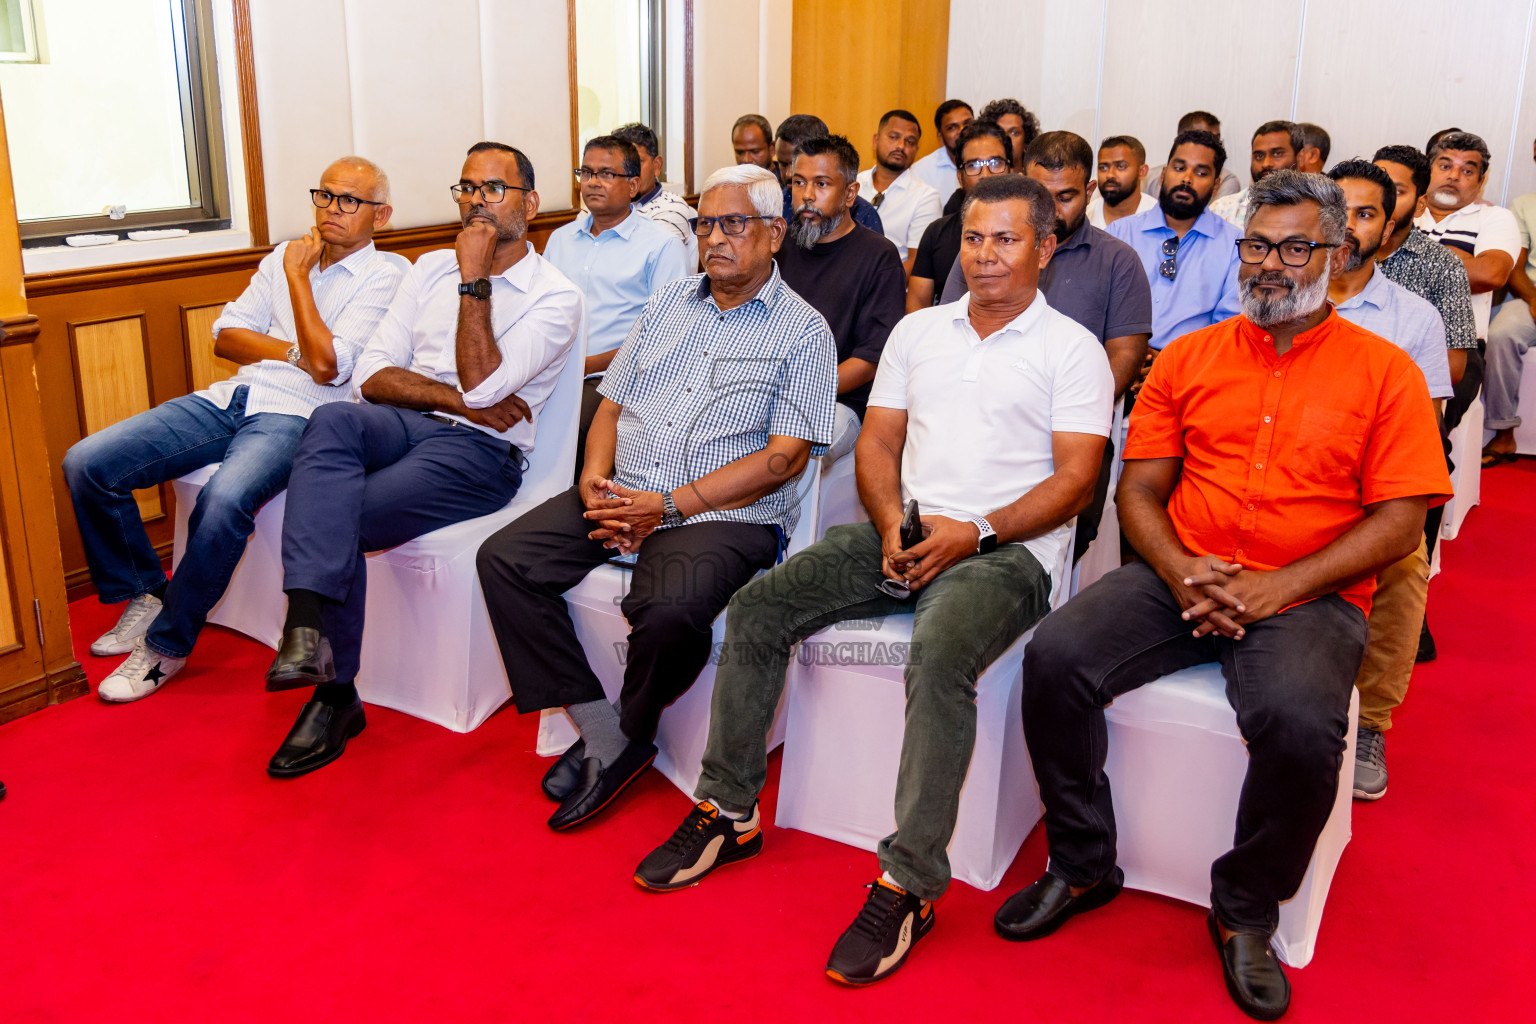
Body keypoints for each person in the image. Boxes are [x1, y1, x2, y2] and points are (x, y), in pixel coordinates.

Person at [632, 174, 1113, 987]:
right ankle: (730, 809)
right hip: (910, 527)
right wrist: (892, 523)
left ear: (1045, 248)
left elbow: (1073, 482)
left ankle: (910, 882)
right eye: (973, 238)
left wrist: (978, 531)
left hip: (1008, 551)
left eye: (1005, 239)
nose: (985, 255)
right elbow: (878, 446)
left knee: (940, 652)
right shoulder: (920, 333)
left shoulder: (1074, 350)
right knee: (759, 607)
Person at [999, 170, 1451, 1021]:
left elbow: (1399, 524)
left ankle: (1245, 910)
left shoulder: (1385, 372)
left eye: (1293, 247)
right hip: (1185, 571)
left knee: (1299, 721)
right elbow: (1139, 491)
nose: (1270, 264)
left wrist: (1276, 587)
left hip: (1309, 591)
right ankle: (1084, 860)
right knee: (1056, 656)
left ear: (1336, 253)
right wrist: (1179, 573)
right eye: (1256, 245)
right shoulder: (1193, 357)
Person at [475, 164, 836, 832]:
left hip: (725, 514)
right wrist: (593, 475)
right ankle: (599, 726)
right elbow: (610, 401)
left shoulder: (804, 331)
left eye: (735, 224)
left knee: (667, 609)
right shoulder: (670, 300)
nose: (716, 239)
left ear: (775, 233)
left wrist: (665, 508)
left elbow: (782, 459)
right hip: (623, 491)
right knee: (505, 559)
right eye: (705, 225)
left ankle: (628, 734)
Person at [260, 142, 582, 778]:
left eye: (494, 190)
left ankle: (332, 693)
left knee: (337, 513)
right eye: (467, 189)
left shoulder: (556, 295)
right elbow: (370, 376)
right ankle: (303, 622)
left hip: (481, 454)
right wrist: (458, 400)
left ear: (531, 205)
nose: (477, 203)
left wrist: (474, 279)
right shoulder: (426, 268)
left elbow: (488, 386)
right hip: (406, 422)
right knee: (333, 418)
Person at [63, 157, 403, 702]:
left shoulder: (387, 276)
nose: (331, 210)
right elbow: (226, 336)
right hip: (234, 397)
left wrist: (297, 281)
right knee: (89, 463)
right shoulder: (282, 255)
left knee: (223, 501)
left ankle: (166, 646)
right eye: (324, 196)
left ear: (380, 215)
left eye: (349, 201)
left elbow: (329, 368)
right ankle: (145, 593)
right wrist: (292, 346)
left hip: (300, 414)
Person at [940, 131, 1151, 558]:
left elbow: (1125, 357)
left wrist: (1060, 414)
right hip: (976, 415)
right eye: (1042, 195)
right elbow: (948, 334)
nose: (1051, 210)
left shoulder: (1118, 260)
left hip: (1073, 428)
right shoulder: (985, 253)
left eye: (1067, 196)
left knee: (1063, 521)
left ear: (1090, 191)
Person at [1327, 160, 1453, 802]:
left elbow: (1420, 435)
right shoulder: (1275, 296)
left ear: (1389, 223)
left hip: (1369, 487)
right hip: (1280, 475)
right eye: (1338, 210)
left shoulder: (1415, 318)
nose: (1348, 226)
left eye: (1366, 213)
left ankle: (1370, 722)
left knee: (1403, 563)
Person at [1372, 144, 1479, 663]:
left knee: (1428, 458)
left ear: (1416, 205)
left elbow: (1453, 368)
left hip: (1411, 396)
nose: (1383, 200)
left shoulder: (1440, 267)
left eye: (1398, 191)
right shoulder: (1327, 253)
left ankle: (1407, 603)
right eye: (1376, 186)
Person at [544, 135, 691, 477]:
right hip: (553, 368)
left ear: (633, 184)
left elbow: (664, 339)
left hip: (614, 379)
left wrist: (584, 365)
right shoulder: (560, 239)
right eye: (587, 172)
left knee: (566, 424)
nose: (593, 182)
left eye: (607, 174)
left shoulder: (661, 246)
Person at [778, 134, 906, 461]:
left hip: (838, 402)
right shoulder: (779, 246)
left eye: (821, 184)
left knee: (794, 450)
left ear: (849, 193)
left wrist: (798, 395)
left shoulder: (879, 256)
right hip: (771, 390)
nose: (806, 195)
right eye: (798, 182)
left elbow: (868, 362)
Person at [1107, 130, 1241, 355]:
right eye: (1179, 168)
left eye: (1201, 172)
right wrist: (1130, 355)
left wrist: (1170, 364)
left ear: (1216, 186)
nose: (1187, 179)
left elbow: (1229, 329)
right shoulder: (1119, 233)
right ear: (1163, 175)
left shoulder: (1233, 245)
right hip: (1117, 362)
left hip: (1191, 373)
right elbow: (1098, 307)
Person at [907, 119, 1011, 310]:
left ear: (1010, 169)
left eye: (995, 163)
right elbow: (918, 305)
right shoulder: (937, 232)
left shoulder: (1029, 232)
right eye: (974, 165)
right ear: (959, 177)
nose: (986, 174)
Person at [1484, 137, 1536, 465]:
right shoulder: (1524, 204)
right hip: (1533, 295)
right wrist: (1532, 299)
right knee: (1501, 334)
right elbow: (1515, 268)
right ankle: (1504, 435)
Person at [856, 108, 944, 270]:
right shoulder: (853, 183)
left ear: (916, 150)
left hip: (891, 286)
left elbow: (917, 262)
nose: (901, 146)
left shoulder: (925, 197)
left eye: (910, 142)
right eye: (894, 137)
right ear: (876, 141)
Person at [774, 114, 883, 234]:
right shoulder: (776, 203)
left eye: (821, 183)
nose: (789, 174)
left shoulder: (862, 213)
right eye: (783, 164)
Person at [613, 122, 697, 267]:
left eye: (637, 162)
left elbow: (639, 267)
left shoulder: (671, 209)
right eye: (619, 164)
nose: (628, 172)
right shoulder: (597, 206)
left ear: (657, 166)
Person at [1209, 120, 1302, 227]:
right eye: (1259, 156)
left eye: (1277, 154)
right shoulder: (1221, 210)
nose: (1266, 164)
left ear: (1300, 157)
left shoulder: (1315, 213)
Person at [1145, 111, 1242, 200]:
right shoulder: (1148, 178)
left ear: (1215, 186)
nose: (1187, 179)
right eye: (1203, 137)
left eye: (1217, 138)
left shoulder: (1226, 181)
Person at [1087, 135, 1157, 228]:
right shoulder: (1086, 216)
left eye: (1120, 166)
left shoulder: (1158, 217)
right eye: (1103, 167)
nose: (1110, 174)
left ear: (1142, 172)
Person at [910, 98, 973, 200]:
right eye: (952, 127)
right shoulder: (920, 172)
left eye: (967, 124)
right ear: (940, 136)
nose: (962, 131)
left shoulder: (993, 163)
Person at [978, 97, 1040, 169]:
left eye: (1014, 133)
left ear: (1026, 142)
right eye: (999, 132)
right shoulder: (981, 177)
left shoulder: (1036, 178)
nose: (1006, 138)